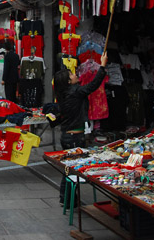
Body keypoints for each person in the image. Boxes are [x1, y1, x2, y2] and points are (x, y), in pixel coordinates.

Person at [53, 51, 108, 206]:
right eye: (72, 74)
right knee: (72, 170)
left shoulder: (65, 93)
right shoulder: (75, 92)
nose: (75, 74)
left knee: (68, 169)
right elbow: (93, 85)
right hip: (74, 139)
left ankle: (66, 198)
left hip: (68, 136)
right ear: (68, 81)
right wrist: (102, 65)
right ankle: (69, 200)